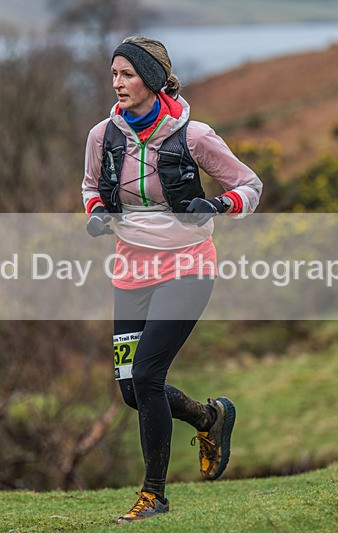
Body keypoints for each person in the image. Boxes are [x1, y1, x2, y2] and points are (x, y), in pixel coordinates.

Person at [81, 35, 262, 525]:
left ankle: (154, 494)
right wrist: (96, 212)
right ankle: (210, 418)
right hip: (130, 270)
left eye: (127, 74)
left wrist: (220, 204)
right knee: (129, 388)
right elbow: (89, 188)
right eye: (114, 74)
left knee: (147, 376)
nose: (117, 83)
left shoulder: (194, 135)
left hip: (188, 266)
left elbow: (250, 185)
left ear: (152, 79)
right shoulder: (103, 135)